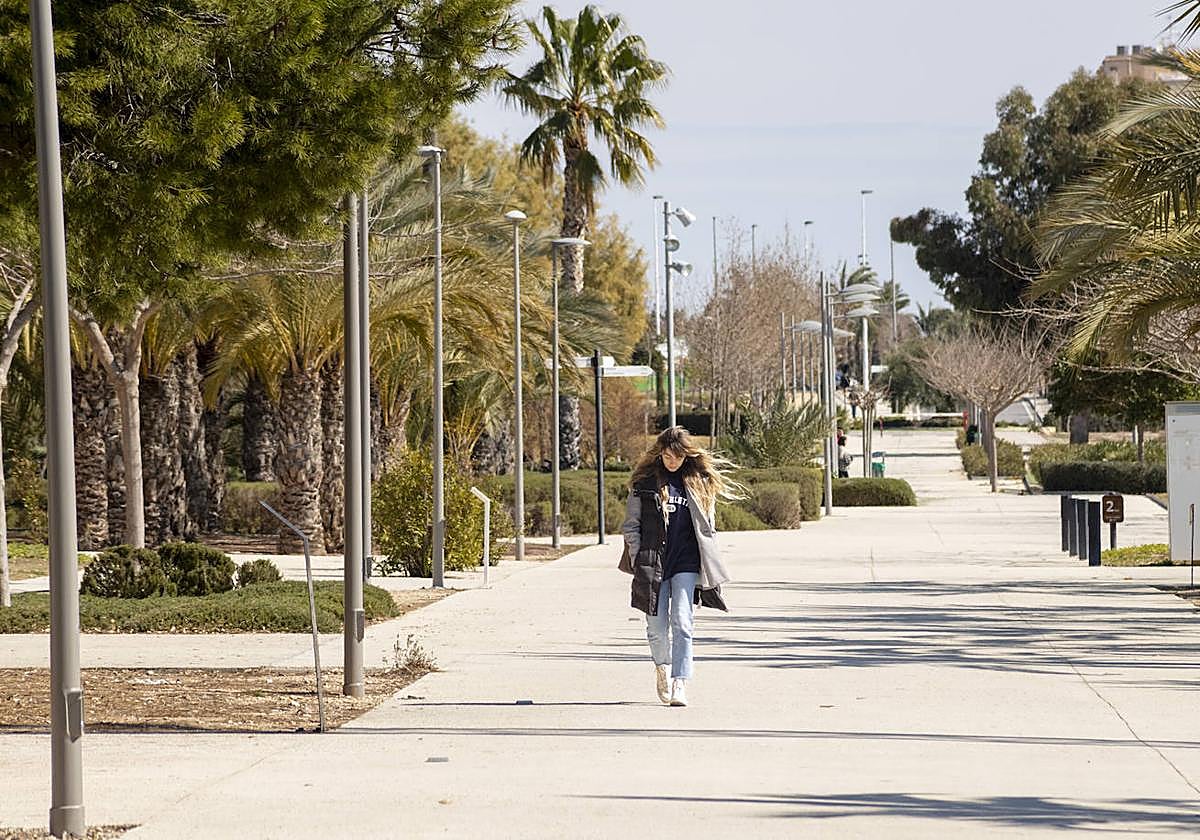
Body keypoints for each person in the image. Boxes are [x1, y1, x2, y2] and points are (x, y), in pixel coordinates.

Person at [619, 426, 740, 708]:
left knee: (683, 623)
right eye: (667, 456)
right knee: (657, 627)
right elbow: (631, 525)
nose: (672, 461)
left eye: (677, 456)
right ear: (659, 454)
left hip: (686, 562)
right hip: (653, 561)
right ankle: (662, 667)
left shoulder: (698, 482)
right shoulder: (645, 483)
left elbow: (708, 524)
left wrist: (709, 559)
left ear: (686, 456)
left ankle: (680, 682)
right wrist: (638, 557)